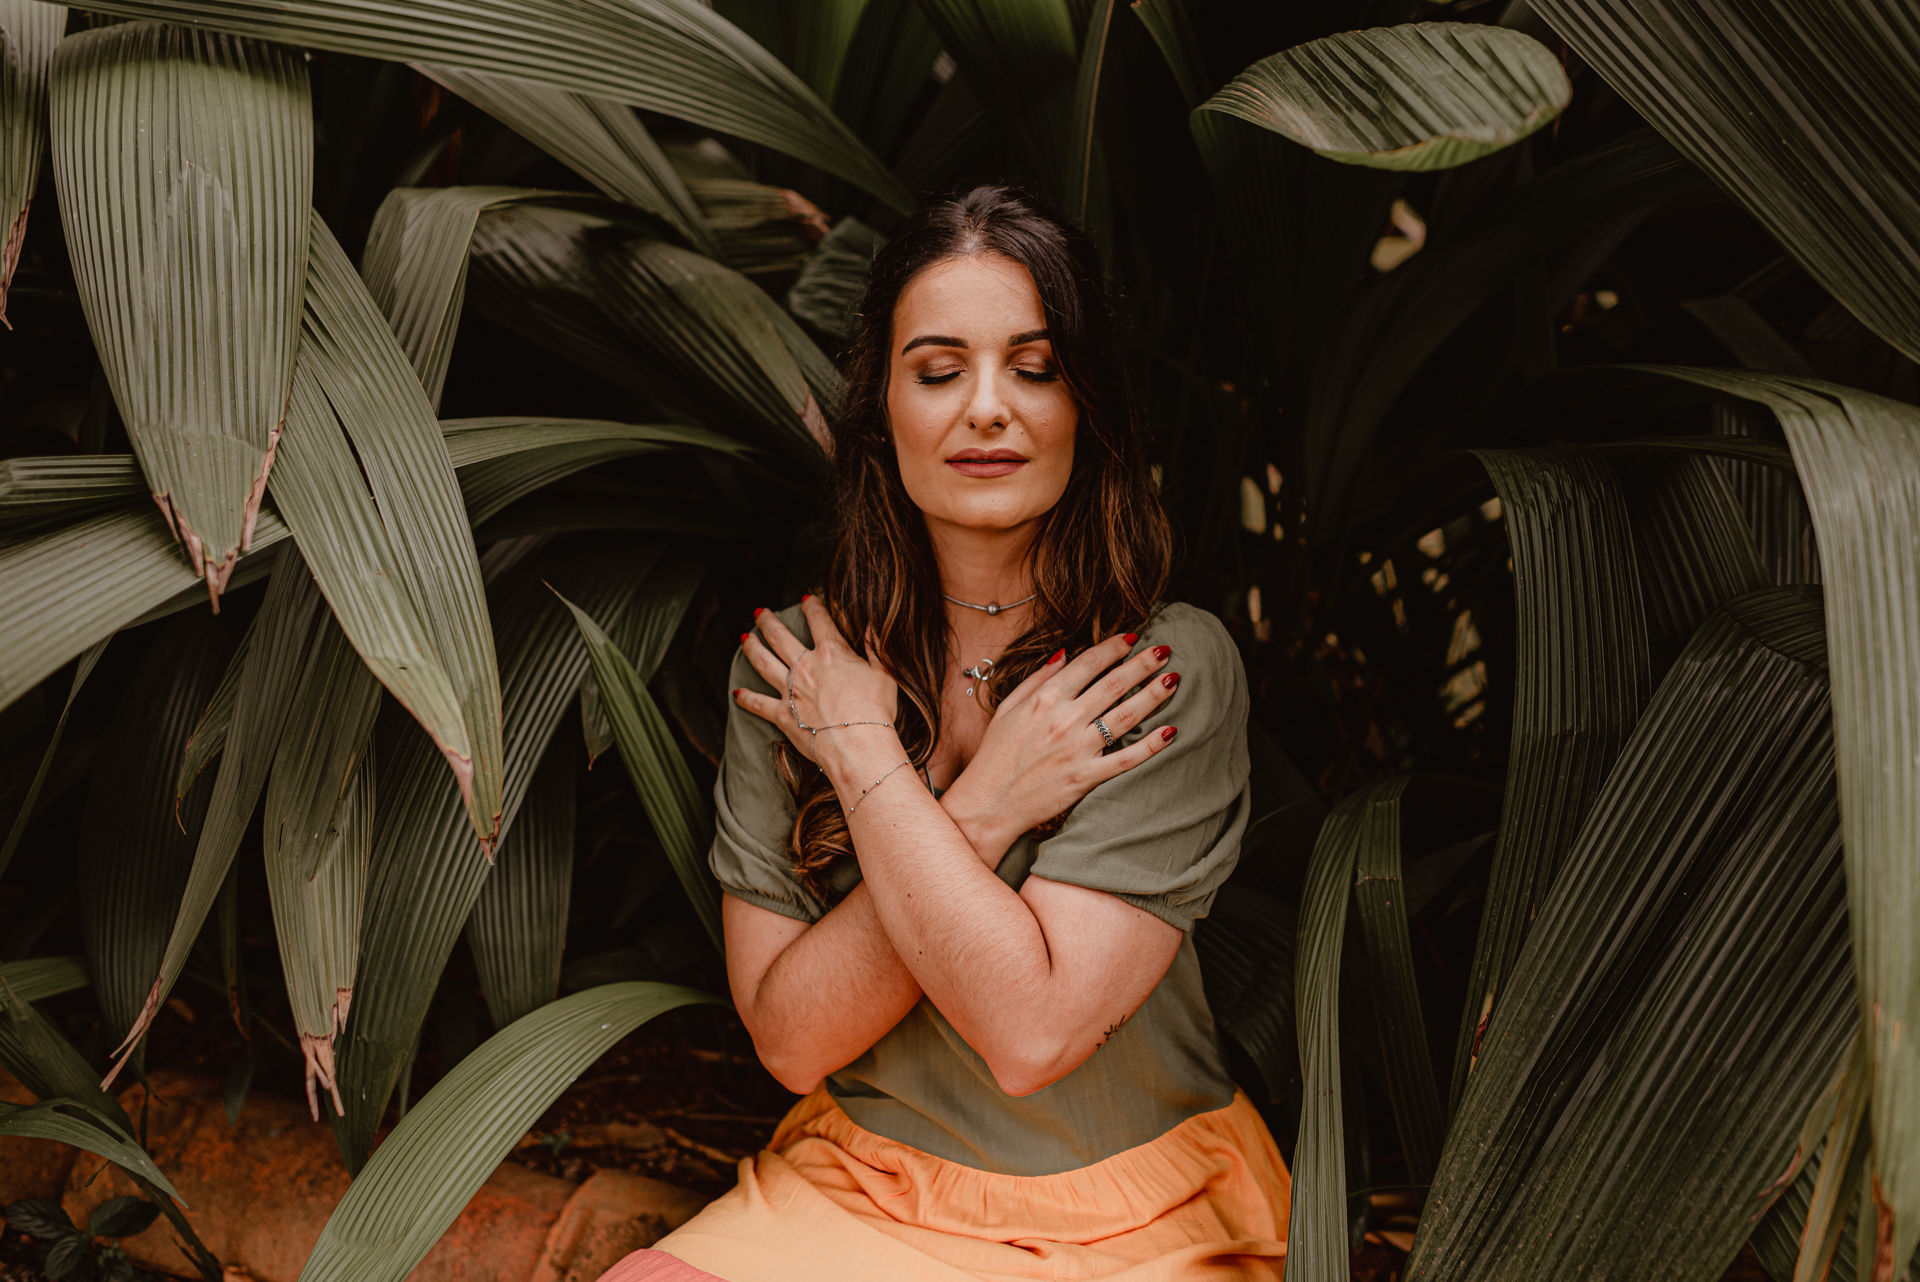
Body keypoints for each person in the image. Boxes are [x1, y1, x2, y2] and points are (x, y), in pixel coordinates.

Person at [598, 185, 1289, 1281]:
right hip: (863, 1185)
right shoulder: (797, 671)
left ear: (1090, 405)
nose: (985, 409)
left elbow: (1032, 1035)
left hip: (1129, 1210)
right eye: (937, 370)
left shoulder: (1156, 669)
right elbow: (790, 1040)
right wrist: (982, 802)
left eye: (1035, 365)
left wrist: (867, 764)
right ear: (882, 409)